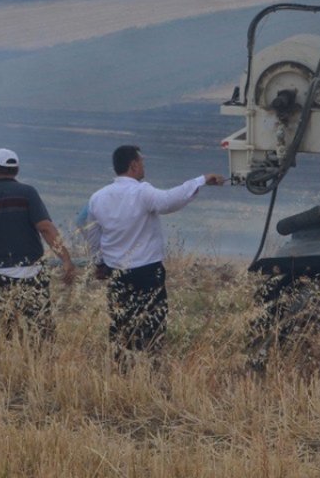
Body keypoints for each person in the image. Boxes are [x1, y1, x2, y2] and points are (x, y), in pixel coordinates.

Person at [84, 145, 223, 361]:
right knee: (152, 321)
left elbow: (92, 235)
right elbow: (168, 201)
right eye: (142, 162)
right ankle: (149, 367)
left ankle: (122, 366)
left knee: (121, 321)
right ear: (133, 165)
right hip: (146, 271)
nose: (143, 166)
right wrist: (200, 180)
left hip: (115, 271)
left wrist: (99, 263)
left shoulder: (97, 197)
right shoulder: (141, 192)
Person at [0, 148, 76, 341]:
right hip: (33, 273)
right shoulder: (28, 193)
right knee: (41, 329)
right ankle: (40, 365)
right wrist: (66, 259)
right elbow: (46, 228)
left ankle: (7, 365)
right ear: (16, 170)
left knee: (4, 328)